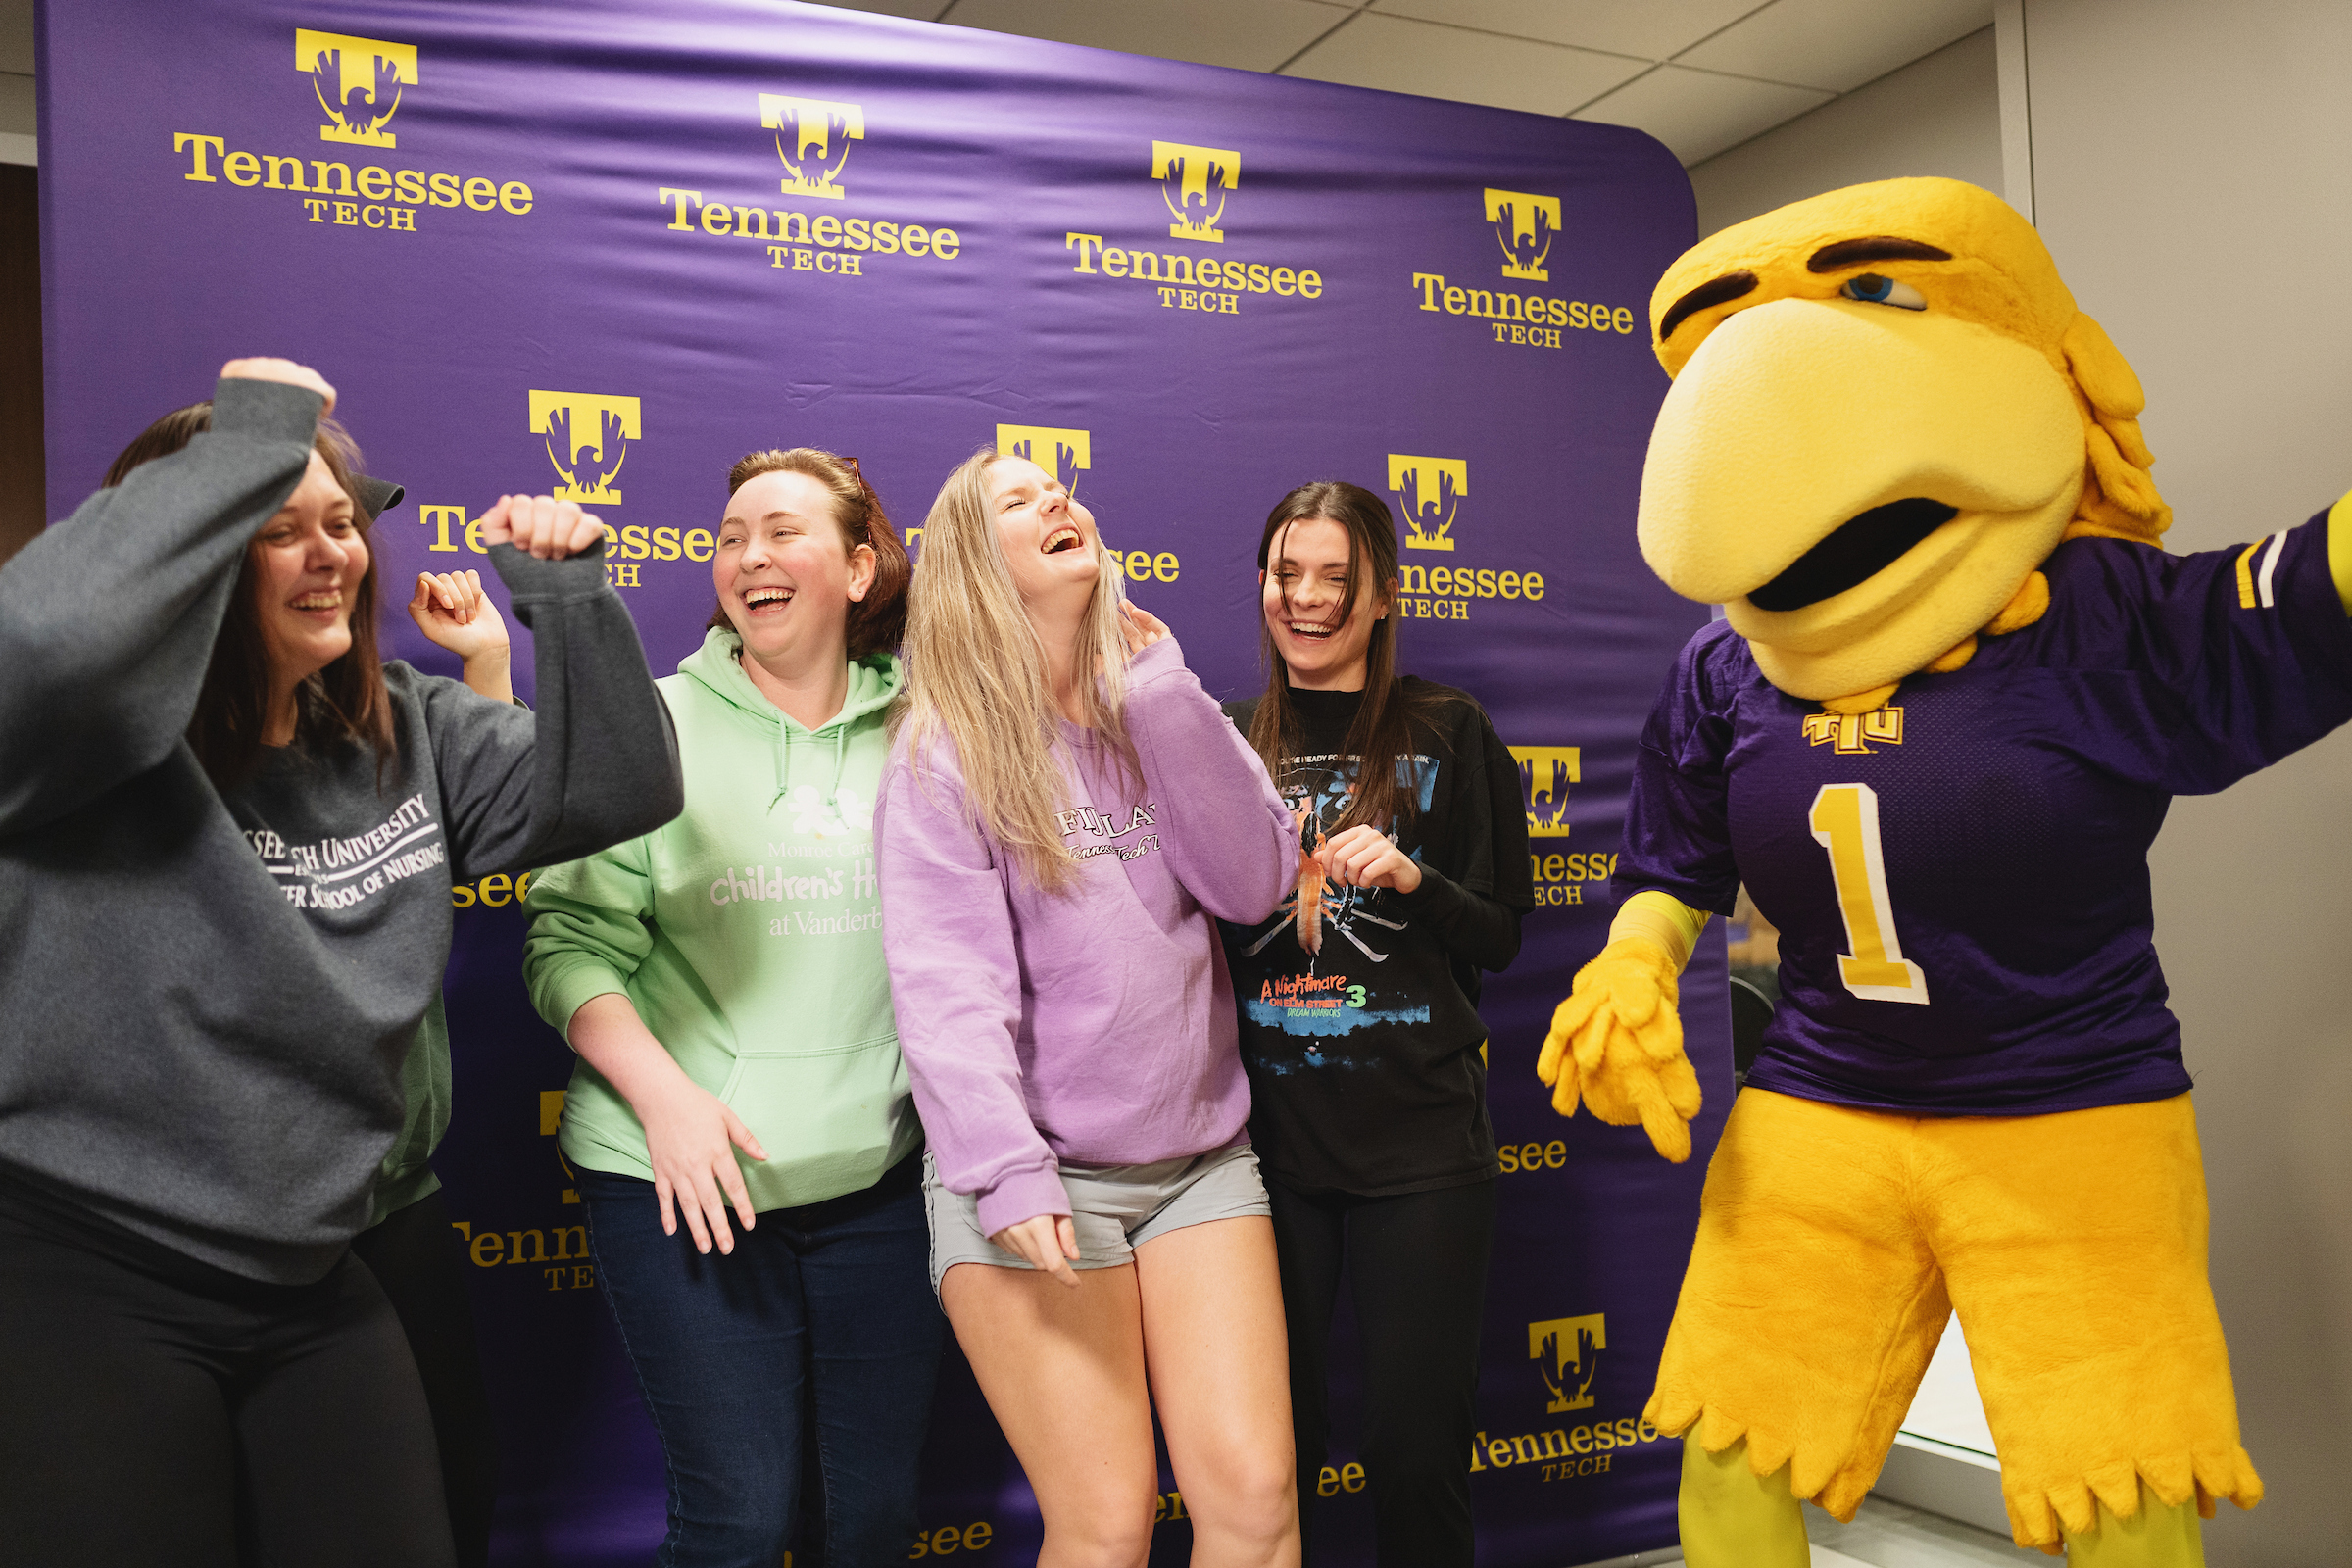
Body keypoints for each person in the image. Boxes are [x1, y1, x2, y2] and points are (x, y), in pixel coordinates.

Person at [0, 358, 682, 1567]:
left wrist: (571, 600)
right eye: (276, 529)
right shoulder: (81, 749)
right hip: (90, 1270)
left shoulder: (400, 724)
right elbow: (43, 640)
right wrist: (255, 432)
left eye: (343, 523)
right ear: (191, 552)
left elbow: (620, 786)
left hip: (315, 1269)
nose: (333, 554)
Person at [876, 447, 1301, 1568]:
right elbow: (944, 985)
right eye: (1020, 500)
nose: (1058, 499)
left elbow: (1253, 884)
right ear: (977, 563)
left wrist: (1163, 690)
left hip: (1203, 1163)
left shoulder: (1154, 704)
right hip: (1040, 1175)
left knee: (1256, 1505)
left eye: (1058, 487)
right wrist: (1007, 1169)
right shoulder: (943, 750)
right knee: (1108, 1521)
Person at [521, 448, 936, 1567]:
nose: (750, 555)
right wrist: (669, 1102)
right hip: (684, 1181)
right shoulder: (649, 723)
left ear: (859, 570)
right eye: (731, 534)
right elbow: (567, 947)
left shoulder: (929, 738)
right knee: (740, 1522)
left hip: (880, 1186)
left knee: (876, 1521)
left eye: (784, 530)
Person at [1219, 481, 1533, 1568]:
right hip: (1261, 1163)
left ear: (1385, 595)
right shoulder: (1219, 739)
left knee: (1416, 1453)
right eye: (1284, 573)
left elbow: (1500, 934)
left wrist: (1413, 876)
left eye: (1333, 579)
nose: (1305, 599)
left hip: (1422, 1150)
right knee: (1269, 1459)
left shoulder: (1451, 728)